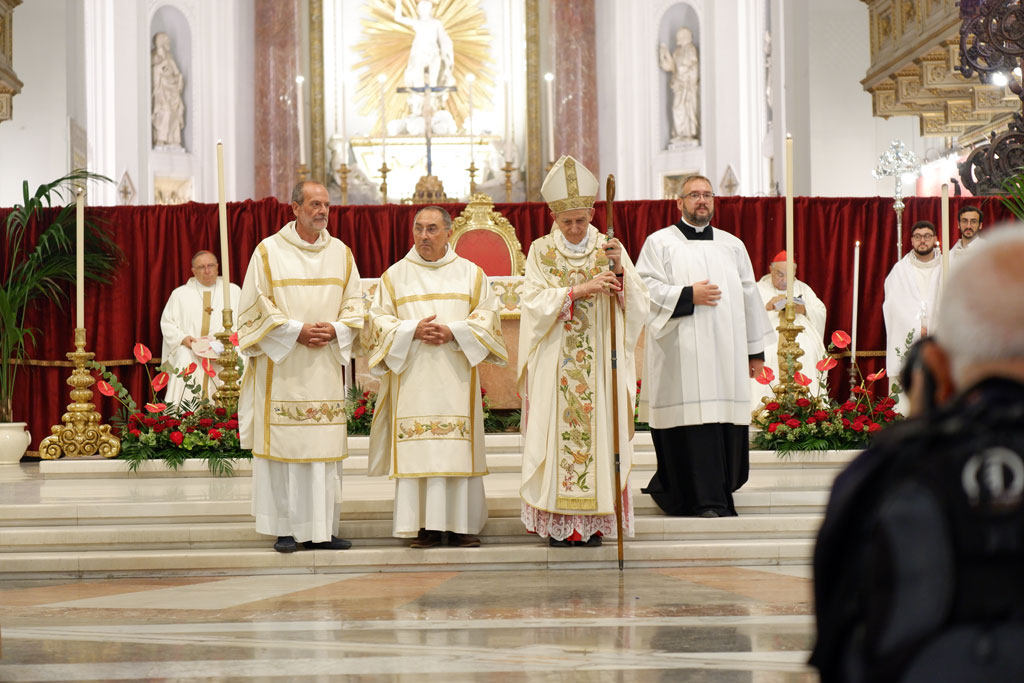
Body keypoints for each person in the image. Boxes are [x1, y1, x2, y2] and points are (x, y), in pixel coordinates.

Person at [811, 225, 1024, 681]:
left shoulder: (884, 475)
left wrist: (923, 420)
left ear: (933, 365)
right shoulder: (900, 272)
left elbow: (837, 639)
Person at [517, 155, 649, 547]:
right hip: (556, 364)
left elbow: (639, 303)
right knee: (557, 440)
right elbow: (531, 303)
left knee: (600, 440)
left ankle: (593, 524)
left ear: (593, 211)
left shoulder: (610, 248)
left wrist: (621, 277)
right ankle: (560, 523)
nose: (575, 228)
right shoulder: (540, 252)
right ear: (553, 218)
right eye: (566, 221)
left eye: (580, 219)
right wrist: (578, 291)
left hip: (601, 366)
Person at [365, 206, 507, 548]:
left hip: (454, 377)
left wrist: (453, 332)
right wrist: (413, 330)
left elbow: (488, 317)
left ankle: (461, 526)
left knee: (456, 448)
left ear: (448, 232)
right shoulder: (394, 276)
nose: (424, 236)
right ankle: (423, 526)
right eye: (418, 229)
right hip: (413, 378)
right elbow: (377, 322)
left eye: (431, 229)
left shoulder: (471, 274)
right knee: (420, 450)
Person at [236, 181, 364, 553]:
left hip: (323, 368)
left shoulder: (341, 253)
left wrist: (336, 328)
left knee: (321, 453)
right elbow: (254, 308)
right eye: (313, 204)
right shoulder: (268, 252)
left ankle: (321, 529)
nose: (321, 211)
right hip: (284, 368)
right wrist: (296, 332)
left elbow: (356, 304)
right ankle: (286, 529)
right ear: (294, 208)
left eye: (326, 205)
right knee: (285, 450)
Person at [636, 175, 771, 517]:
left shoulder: (732, 244)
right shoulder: (659, 243)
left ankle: (719, 494)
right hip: (680, 355)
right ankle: (693, 498)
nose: (701, 200)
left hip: (725, 355)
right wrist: (687, 295)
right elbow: (644, 290)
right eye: (693, 195)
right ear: (678, 202)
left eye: (707, 195)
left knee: (722, 424)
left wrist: (755, 352)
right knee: (690, 424)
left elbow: (749, 296)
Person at [159, 250, 241, 406]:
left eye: (210, 265)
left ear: (218, 267)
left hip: (225, 349)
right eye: (202, 267)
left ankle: (233, 413)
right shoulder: (180, 295)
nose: (207, 271)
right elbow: (167, 323)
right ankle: (185, 415)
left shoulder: (232, 291)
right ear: (193, 271)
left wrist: (229, 342)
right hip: (191, 350)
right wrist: (183, 339)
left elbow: (244, 320)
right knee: (184, 358)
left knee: (241, 357)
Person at [751, 250, 828, 410]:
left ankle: (807, 408)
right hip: (768, 336)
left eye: (789, 275)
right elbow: (745, 315)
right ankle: (765, 410)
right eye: (780, 275)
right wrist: (767, 307)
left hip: (800, 335)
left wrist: (804, 310)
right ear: (771, 270)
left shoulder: (803, 288)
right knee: (769, 353)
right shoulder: (758, 288)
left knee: (807, 352)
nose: (785, 280)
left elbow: (821, 311)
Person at [882, 220, 943, 411]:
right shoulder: (899, 271)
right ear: (911, 240)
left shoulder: (947, 266)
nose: (922, 241)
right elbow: (892, 307)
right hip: (909, 342)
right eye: (918, 237)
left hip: (939, 342)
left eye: (927, 236)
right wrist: (917, 328)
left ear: (934, 239)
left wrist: (933, 326)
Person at [394, 0, 454, 117]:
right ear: (418, 10)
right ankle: (417, 110)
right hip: (419, 54)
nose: (424, 10)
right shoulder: (417, 23)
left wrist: (445, 53)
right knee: (418, 83)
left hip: (433, 53)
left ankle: (432, 109)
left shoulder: (436, 23)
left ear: (430, 10)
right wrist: (398, 3)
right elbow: (398, 18)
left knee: (433, 83)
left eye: (426, 8)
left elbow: (443, 39)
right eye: (422, 8)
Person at [658, 27, 700, 143]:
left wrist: (685, 74)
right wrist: (664, 54)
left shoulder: (691, 49)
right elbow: (671, 67)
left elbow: (694, 66)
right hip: (678, 85)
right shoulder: (677, 52)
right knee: (676, 107)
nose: (677, 38)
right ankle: (680, 133)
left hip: (687, 85)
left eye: (679, 36)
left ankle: (688, 133)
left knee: (686, 107)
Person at [151, 32, 185, 149]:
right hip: (162, 91)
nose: (168, 43)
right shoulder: (155, 56)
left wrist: (178, 79)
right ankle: (161, 138)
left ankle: (173, 139)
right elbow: (154, 71)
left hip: (172, 91)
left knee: (175, 113)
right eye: (166, 41)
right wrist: (160, 68)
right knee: (165, 112)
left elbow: (176, 73)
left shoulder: (170, 58)